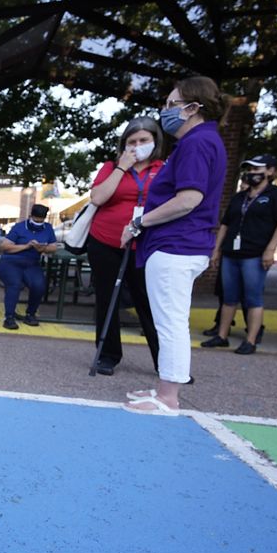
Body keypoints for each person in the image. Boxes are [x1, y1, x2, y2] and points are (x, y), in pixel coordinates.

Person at [120, 76, 230, 413]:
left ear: (194, 108)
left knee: (169, 322)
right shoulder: (201, 142)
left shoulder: (197, 143)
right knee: (170, 320)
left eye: (172, 104)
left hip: (176, 245)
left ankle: (168, 397)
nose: (165, 111)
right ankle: (164, 389)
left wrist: (139, 222)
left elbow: (188, 199)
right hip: (180, 244)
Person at [85, 116, 164, 374]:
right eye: (132, 141)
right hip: (105, 241)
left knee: (148, 302)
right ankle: (107, 355)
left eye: (144, 140)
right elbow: (97, 197)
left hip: (145, 244)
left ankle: (165, 360)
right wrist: (122, 167)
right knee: (107, 298)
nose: (137, 146)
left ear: (155, 142)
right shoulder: (111, 167)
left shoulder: (164, 168)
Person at [202, 154, 277, 354]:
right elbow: (225, 224)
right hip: (231, 253)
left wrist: (270, 249)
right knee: (229, 296)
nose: (253, 173)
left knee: (253, 297)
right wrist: (216, 249)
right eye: (250, 170)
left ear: (270, 171)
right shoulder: (239, 197)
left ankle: (251, 340)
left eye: (257, 169)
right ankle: (222, 335)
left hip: (255, 253)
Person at [0, 203, 57, 330]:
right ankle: (9, 317)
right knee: (14, 285)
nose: (38, 223)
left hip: (31, 263)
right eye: (35, 220)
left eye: (41, 221)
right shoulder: (19, 227)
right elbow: (5, 247)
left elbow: (53, 247)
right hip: (10, 262)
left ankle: (30, 314)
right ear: (30, 216)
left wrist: (42, 248)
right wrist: (26, 246)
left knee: (39, 285)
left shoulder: (48, 228)